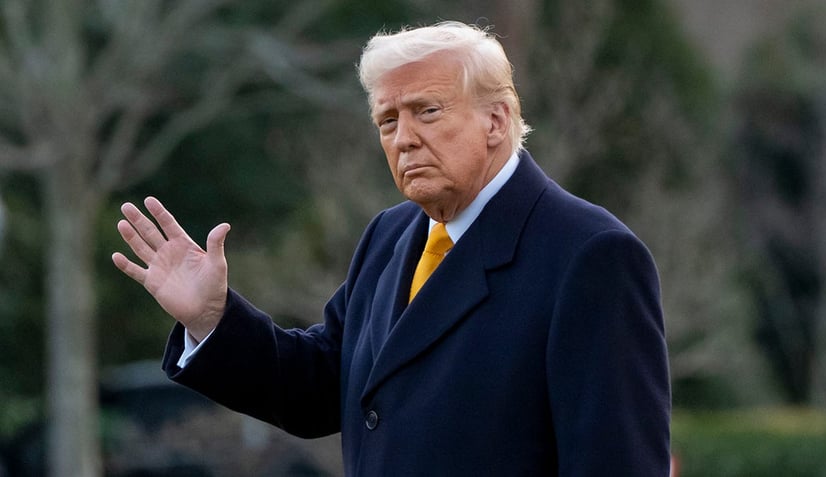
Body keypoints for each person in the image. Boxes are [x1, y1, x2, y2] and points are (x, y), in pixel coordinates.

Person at [112, 21, 670, 476]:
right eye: (387, 120)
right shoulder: (390, 236)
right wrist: (213, 320)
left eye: (427, 111)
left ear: (496, 121)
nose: (403, 138)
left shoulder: (591, 255)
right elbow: (319, 388)